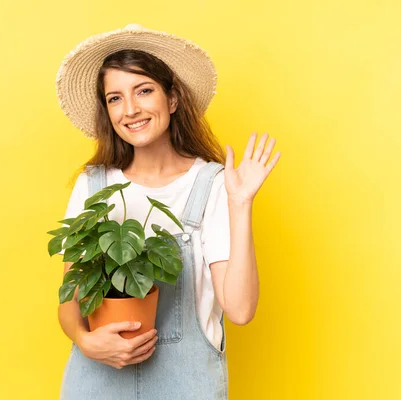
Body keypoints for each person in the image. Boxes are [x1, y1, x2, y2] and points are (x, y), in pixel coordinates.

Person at [54, 24, 281, 399]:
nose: (130, 110)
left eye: (143, 91)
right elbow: (69, 301)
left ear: (172, 99)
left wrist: (240, 204)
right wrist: (86, 341)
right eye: (115, 98)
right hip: (95, 382)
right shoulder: (92, 186)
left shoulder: (212, 185)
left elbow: (239, 311)